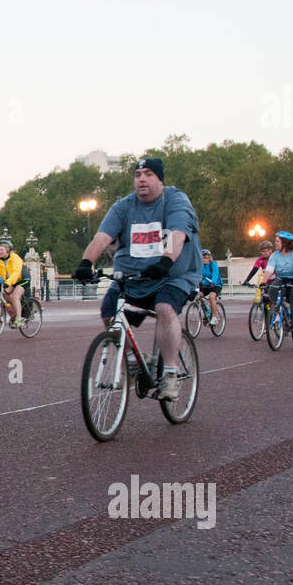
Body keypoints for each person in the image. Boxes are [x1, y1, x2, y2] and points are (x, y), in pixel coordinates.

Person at [73, 157, 202, 402]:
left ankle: (171, 375)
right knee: (109, 312)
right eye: (137, 174)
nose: (141, 178)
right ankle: (133, 360)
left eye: (148, 174)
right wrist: (85, 263)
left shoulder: (175, 201)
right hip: (133, 277)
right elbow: (101, 238)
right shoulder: (123, 207)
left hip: (173, 275)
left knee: (164, 308)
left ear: (160, 179)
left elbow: (177, 234)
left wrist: (165, 261)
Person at [262, 231, 293, 343]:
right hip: (282, 279)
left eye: (277, 241)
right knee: (271, 290)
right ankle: (277, 312)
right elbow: (269, 269)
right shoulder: (275, 255)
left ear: (285, 243)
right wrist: (263, 282)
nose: (275, 243)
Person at [0, 238, 30, 327]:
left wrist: (8, 282)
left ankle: (19, 319)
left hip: (22, 279)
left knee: (14, 296)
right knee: (4, 294)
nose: (0, 252)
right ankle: (15, 312)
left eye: (1, 250)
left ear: (7, 250)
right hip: (12, 281)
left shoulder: (15, 258)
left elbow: (16, 273)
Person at [198, 248, 222, 328]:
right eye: (202, 258)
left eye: (206, 257)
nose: (204, 259)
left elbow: (215, 274)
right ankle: (207, 312)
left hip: (215, 285)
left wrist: (213, 282)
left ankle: (214, 318)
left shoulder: (213, 264)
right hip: (205, 286)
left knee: (212, 297)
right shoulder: (200, 266)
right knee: (198, 296)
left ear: (209, 258)